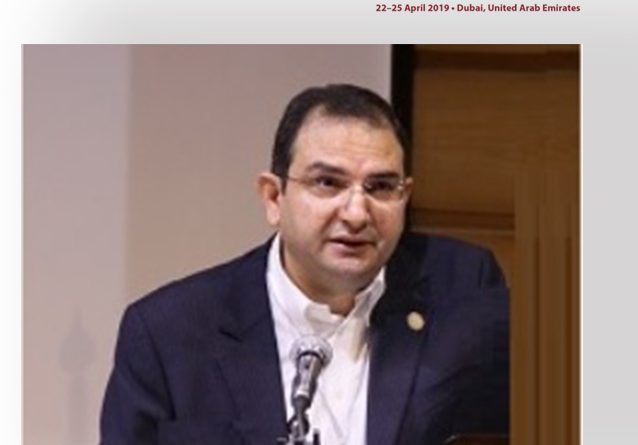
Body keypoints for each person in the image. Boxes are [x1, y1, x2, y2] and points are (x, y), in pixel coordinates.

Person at [100, 84, 509, 445]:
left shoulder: (464, 289)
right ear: (273, 197)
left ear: (405, 196)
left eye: (381, 187)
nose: (356, 213)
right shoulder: (169, 333)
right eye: (327, 183)